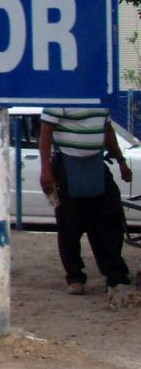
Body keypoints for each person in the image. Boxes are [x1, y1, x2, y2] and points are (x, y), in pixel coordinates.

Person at [39, 107, 132, 296]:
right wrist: (46, 170)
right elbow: (45, 134)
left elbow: (107, 130)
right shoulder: (62, 98)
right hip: (67, 165)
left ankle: (115, 276)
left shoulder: (100, 97)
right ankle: (75, 277)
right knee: (69, 226)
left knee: (111, 221)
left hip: (96, 165)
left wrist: (121, 162)